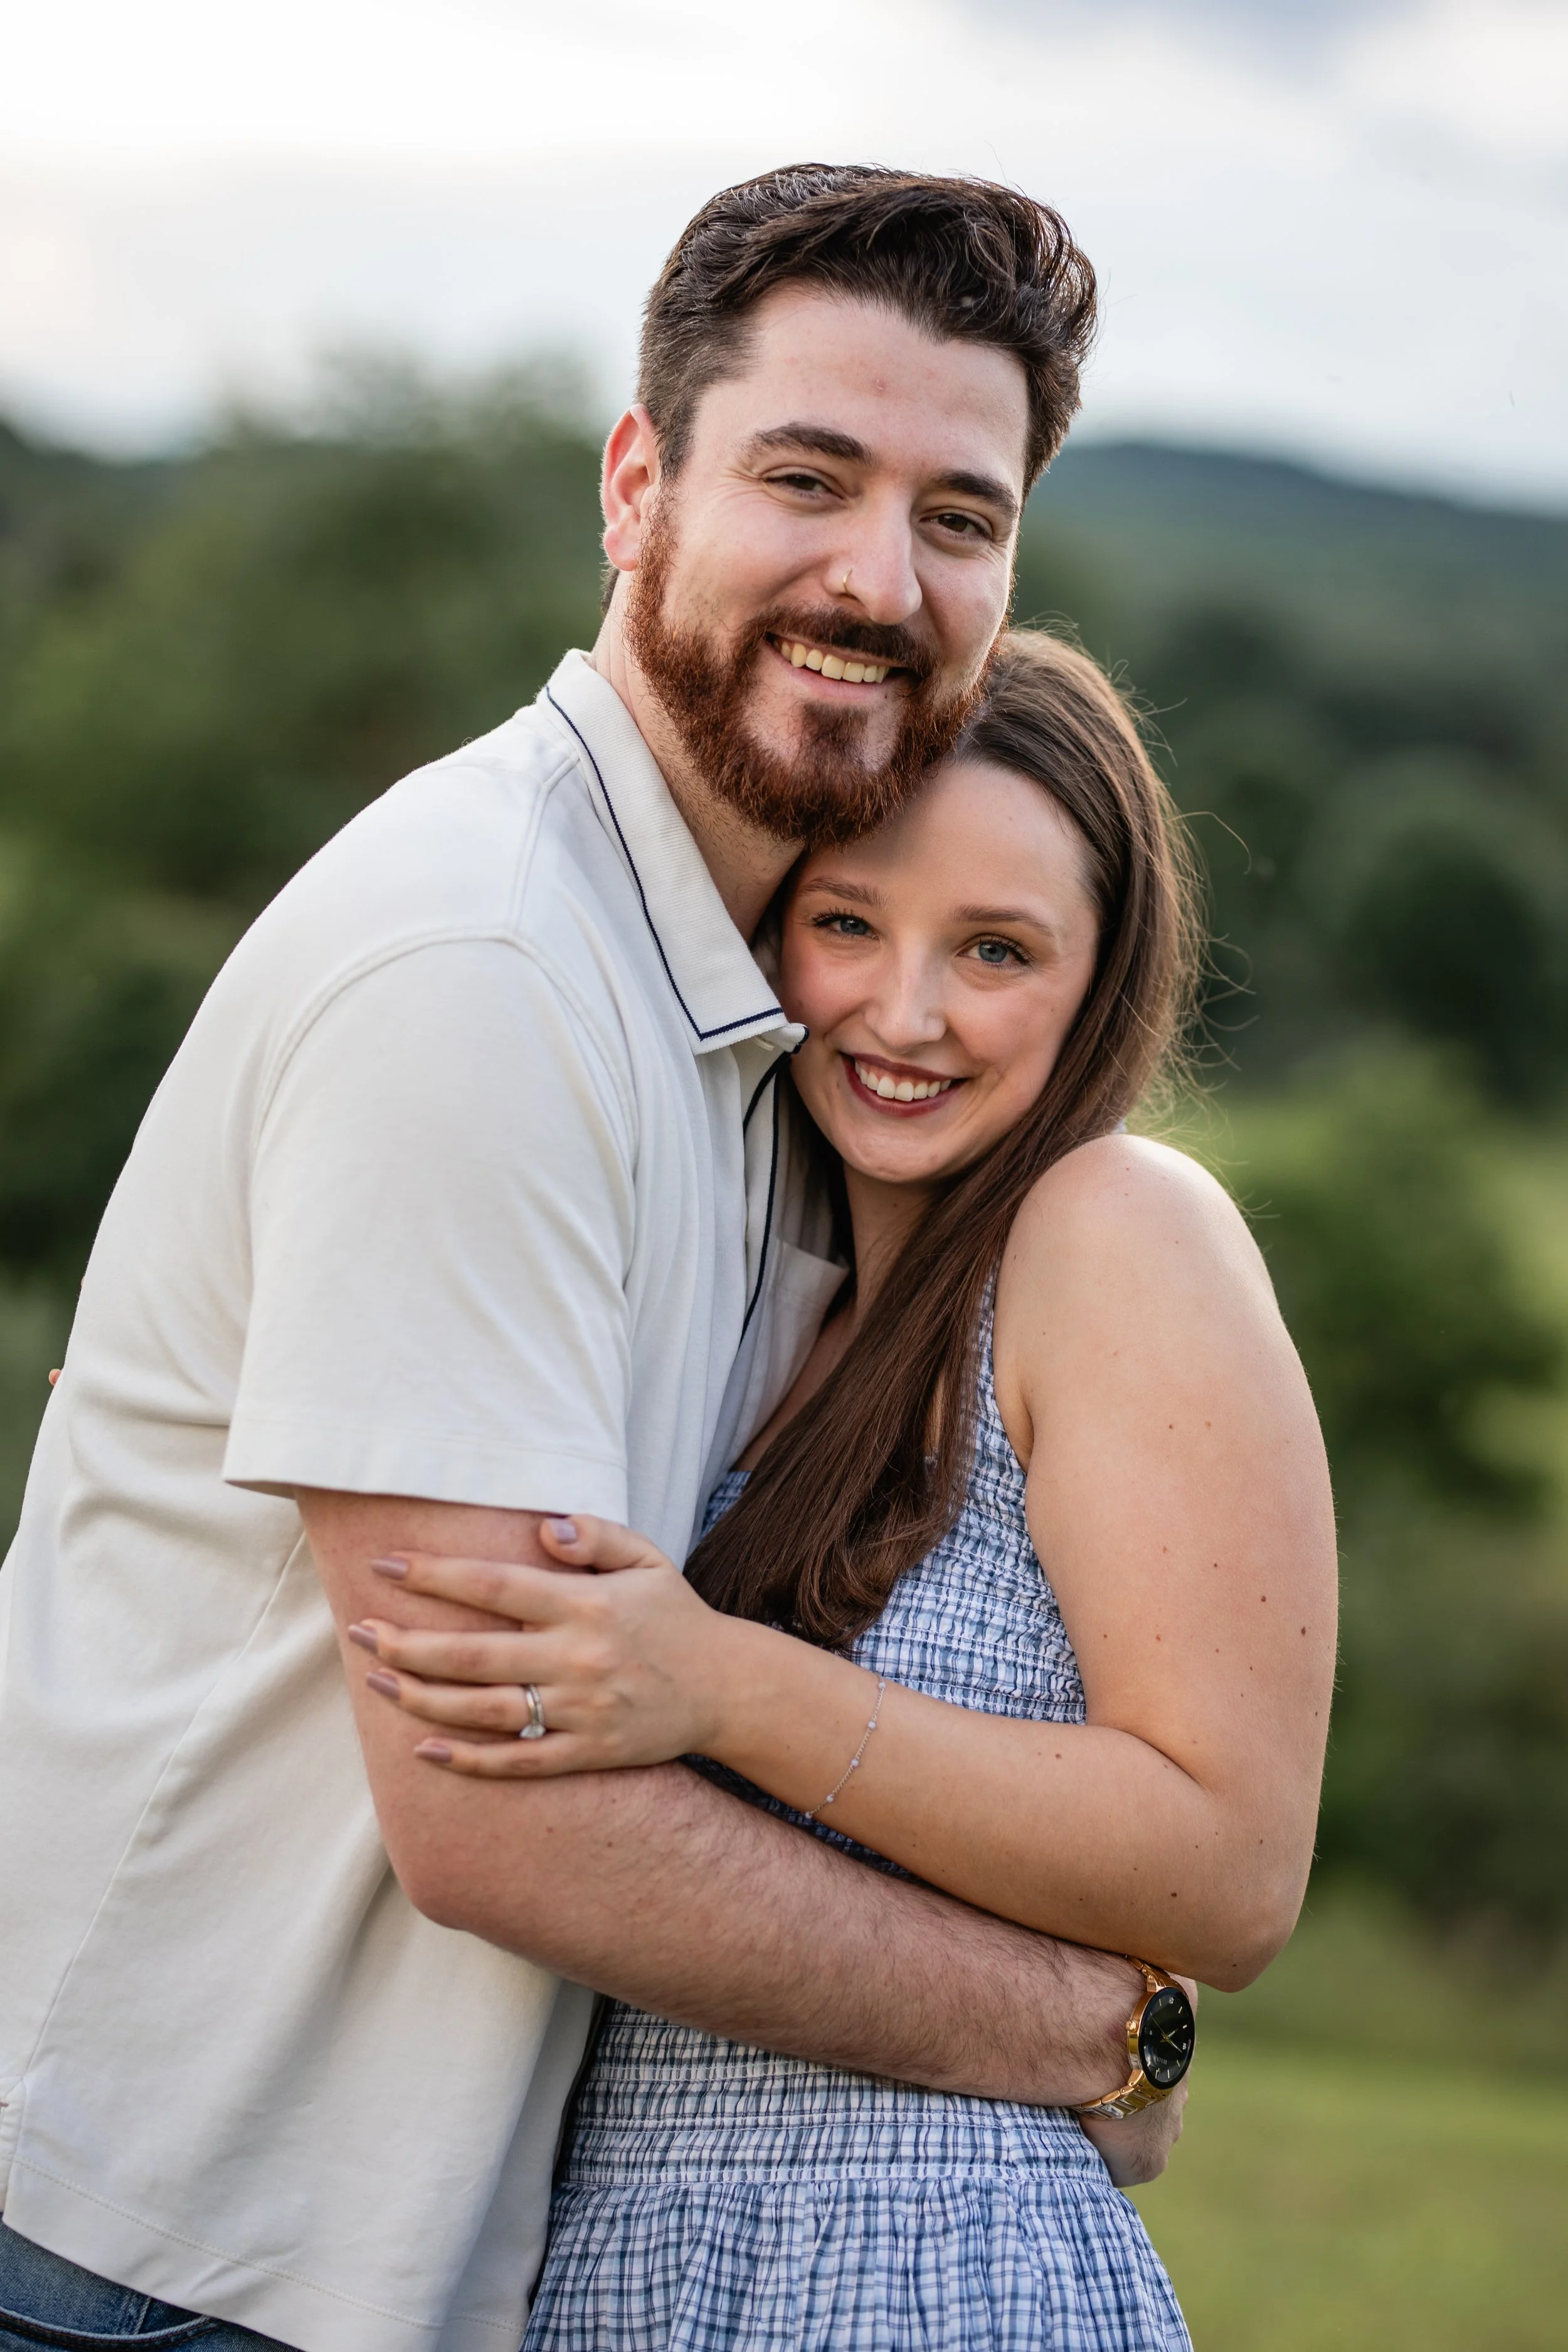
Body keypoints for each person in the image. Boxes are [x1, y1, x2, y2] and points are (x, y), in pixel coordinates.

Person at [0, 167, 1206, 2352]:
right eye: (807, 478)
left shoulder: (742, 1019)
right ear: (637, 484)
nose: (877, 575)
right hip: (146, 2246)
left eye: (960, 511)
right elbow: (508, 1825)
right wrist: (1076, 2031)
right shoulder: (488, 964)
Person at [351, 630, 1338, 2348]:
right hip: (615, 2269)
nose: (905, 1012)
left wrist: (723, 1680)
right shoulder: (749, 1291)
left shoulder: (1110, 1232)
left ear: (1101, 977)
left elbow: (1227, 1872)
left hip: (930, 2257)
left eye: (996, 950)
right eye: (848, 925)